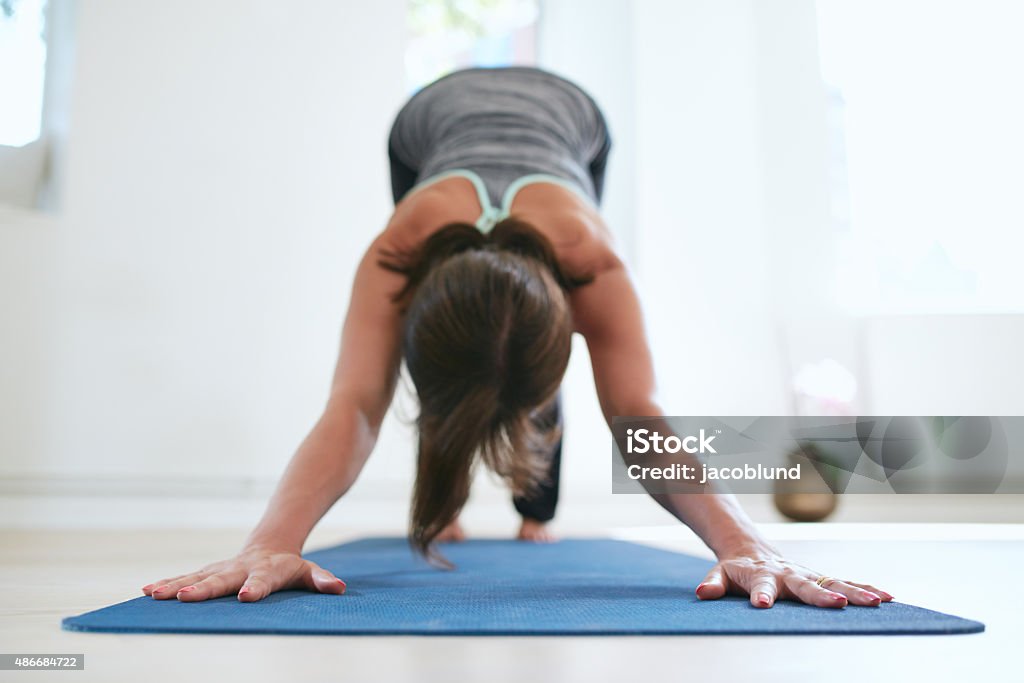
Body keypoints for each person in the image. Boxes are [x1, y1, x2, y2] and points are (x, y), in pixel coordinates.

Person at [142, 67, 892, 609]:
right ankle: (451, 441)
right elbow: (357, 406)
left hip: (573, 115)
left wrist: (744, 543)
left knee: (492, 355)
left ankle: (528, 482)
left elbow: (639, 417)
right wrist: (269, 541)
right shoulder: (397, 252)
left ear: (569, 319)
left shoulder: (594, 263)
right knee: (465, 361)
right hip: (425, 124)